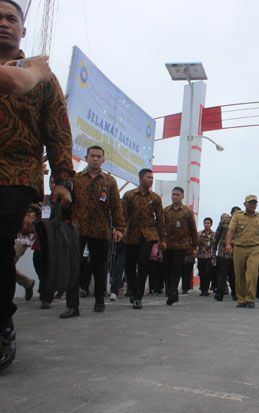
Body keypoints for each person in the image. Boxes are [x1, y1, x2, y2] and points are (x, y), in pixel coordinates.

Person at [0, 0, 75, 372]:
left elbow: (58, 130)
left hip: (14, 176)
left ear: (22, 30)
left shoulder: (42, 76)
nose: (4, 24)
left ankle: (1, 324)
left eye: (11, 18)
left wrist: (62, 179)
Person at [60, 146, 125, 318]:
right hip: (77, 228)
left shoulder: (109, 181)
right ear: (86, 158)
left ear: (103, 160)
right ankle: (72, 306)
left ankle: (99, 301)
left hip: (100, 230)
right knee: (73, 267)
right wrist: (64, 220)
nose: (95, 159)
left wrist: (119, 228)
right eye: (92, 156)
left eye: (98, 157)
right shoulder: (76, 179)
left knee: (99, 267)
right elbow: (67, 202)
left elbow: (116, 207)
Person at [122, 169, 166, 310]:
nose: (151, 180)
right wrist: (120, 230)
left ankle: (138, 296)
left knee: (143, 265)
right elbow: (122, 215)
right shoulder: (129, 195)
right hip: (131, 234)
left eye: (152, 178)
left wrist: (163, 239)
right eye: (148, 177)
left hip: (148, 235)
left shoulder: (156, 198)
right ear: (141, 178)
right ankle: (132, 289)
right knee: (129, 265)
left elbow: (160, 219)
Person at [225, 195, 259, 309]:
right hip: (239, 248)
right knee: (239, 275)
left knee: (252, 274)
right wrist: (228, 244)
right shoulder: (237, 216)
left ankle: (250, 299)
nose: (252, 205)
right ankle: (241, 299)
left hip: (254, 249)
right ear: (245, 204)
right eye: (250, 203)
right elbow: (230, 231)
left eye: (254, 203)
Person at [162, 187, 198, 305]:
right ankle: (171, 290)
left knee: (176, 269)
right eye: (173, 194)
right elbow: (161, 227)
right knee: (167, 269)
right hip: (168, 245)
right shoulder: (165, 211)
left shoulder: (187, 211)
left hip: (182, 246)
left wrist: (194, 247)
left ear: (182, 196)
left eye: (177, 194)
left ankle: (173, 292)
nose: (175, 196)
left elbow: (193, 229)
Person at [214, 212, 235, 301]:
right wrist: (214, 250)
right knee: (222, 274)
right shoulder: (223, 224)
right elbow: (217, 236)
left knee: (233, 275)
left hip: (235, 253)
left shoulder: (238, 224)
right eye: (223, 217)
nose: (224, 219)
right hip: (223, 253)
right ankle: (220, 294)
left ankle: (235, 294)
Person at [197, 217, 217, 297]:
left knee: (207, 273)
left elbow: (215, 245)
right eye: (205, 223)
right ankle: (202, 289)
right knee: (201, 273)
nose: (207, 224)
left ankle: (206, 289)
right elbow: (196, 243)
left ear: (211, 224)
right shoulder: (199, 234)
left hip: (210, 256)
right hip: (201, 256)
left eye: (208, 223)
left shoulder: (214, 234)